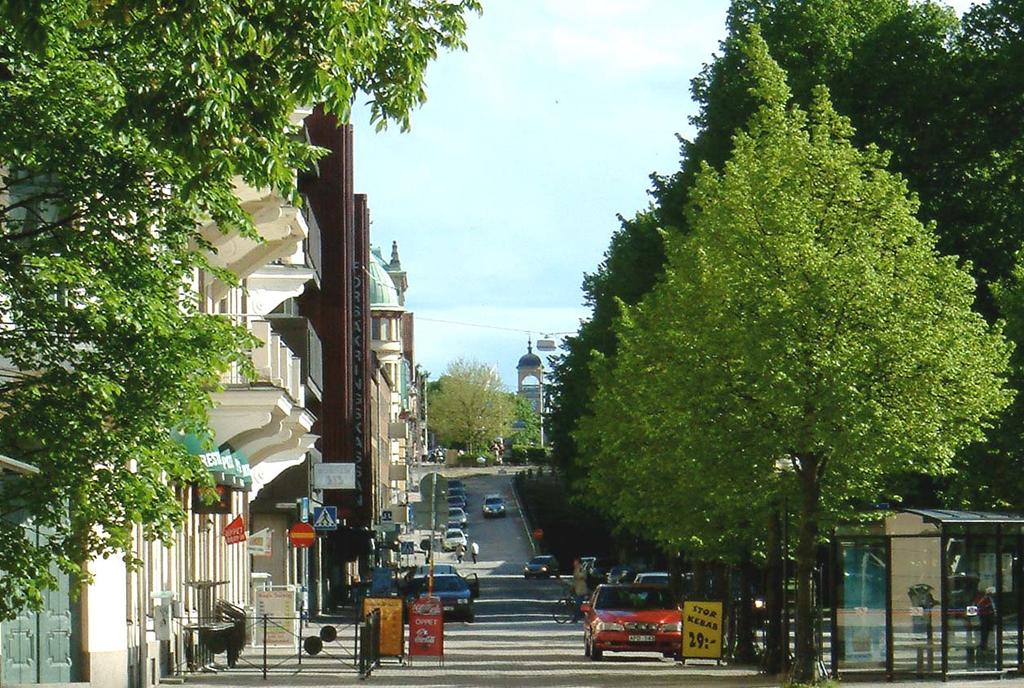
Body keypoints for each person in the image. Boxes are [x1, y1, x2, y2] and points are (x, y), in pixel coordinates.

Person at [975, 586, 996, 654]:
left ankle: (987, 645)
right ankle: (983, 645)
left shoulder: (990, 599)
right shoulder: (984, 598)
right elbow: (979, 605)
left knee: (989, 632)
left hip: (989, 616)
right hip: (985, 616)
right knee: (984, 632)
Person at [571, 558, 588, 622]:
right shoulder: (576, 568)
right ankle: (581, 616)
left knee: (578, 604)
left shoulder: (580, 568)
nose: (574, 563)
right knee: (579, 604)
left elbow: (583, 576)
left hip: (581, 589)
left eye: (575, 561)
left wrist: (577, 577)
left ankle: (576, 618)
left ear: (578, 562)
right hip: (577, 588)